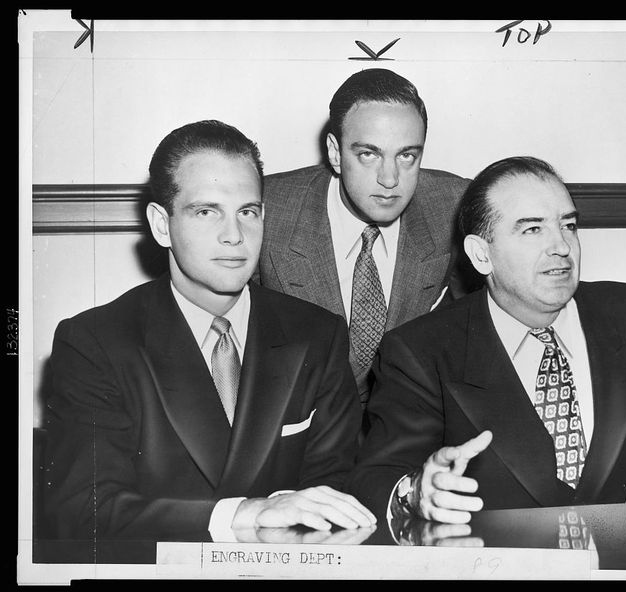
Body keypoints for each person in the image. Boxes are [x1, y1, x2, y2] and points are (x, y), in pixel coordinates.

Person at [42, 120, 376, 542]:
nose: (234, 236)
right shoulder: (95, 343)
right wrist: (245, 515)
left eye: (248, 212)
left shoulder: (319, 334)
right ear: (162, 225)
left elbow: (338, 492)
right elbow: (81, 511)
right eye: (206, 212)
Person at [347, 156, 626, 523]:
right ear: (481, 255)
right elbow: (376, 477)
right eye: (533, 230)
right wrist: (415, 493)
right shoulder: (421, 351)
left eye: (569, 225)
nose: (562, 246)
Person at [258, 68, 471, 413]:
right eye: (368, 154)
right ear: (335, 152)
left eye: (407, 156)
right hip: (301, 425)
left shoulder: (452, 204)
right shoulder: (268, 211)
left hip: (407, 427)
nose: (390, 179)